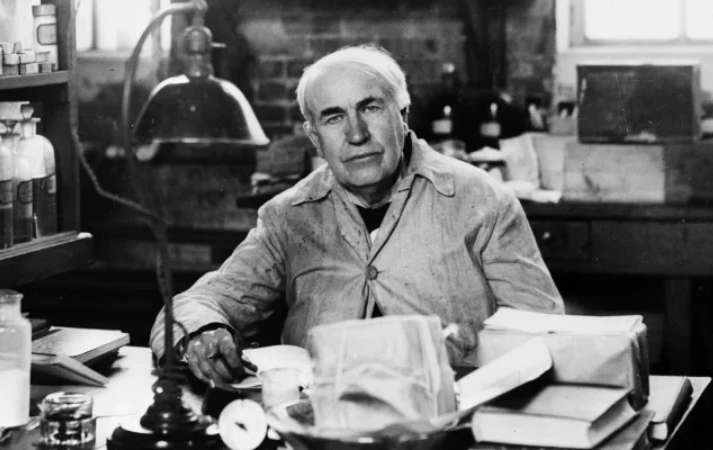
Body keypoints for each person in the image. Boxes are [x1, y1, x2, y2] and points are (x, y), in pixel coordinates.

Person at [150, 44, 563, 384]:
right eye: (333, 117)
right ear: (315, 136)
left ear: (402, 116)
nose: (355, 134)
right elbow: (195, 304)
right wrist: (205, 332)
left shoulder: (481, 200)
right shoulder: (288, 216)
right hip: (320, 426)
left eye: (370, 108)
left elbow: (546, 332)